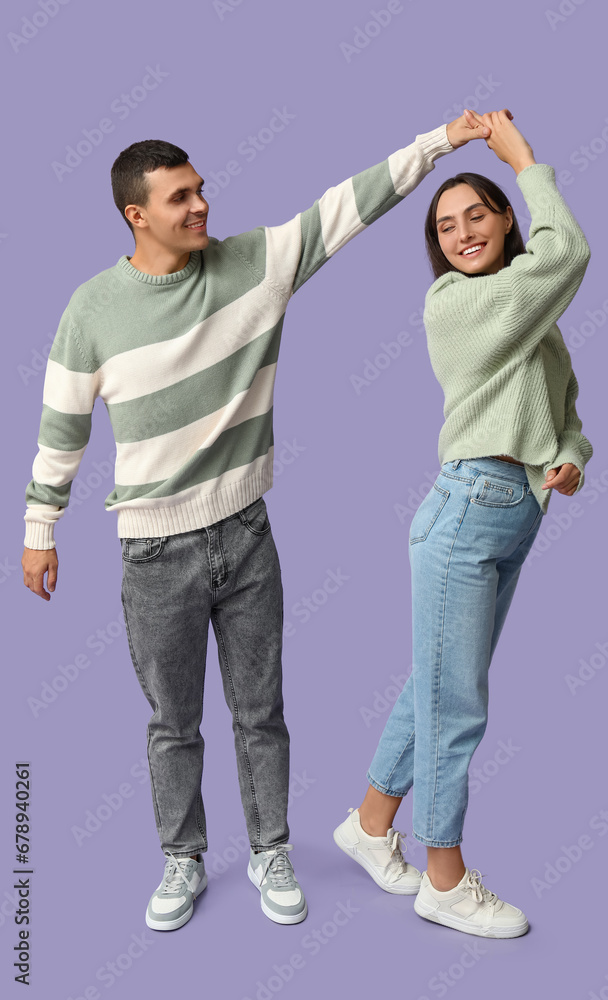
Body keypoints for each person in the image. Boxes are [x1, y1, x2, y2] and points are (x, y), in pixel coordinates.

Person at [20, 107, 505, 932]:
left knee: (260, 711)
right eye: (179, 198)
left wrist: (437, 142)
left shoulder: (258, 262)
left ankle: (269, 847)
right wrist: (40, 529)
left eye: (201, 189)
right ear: (136, 215)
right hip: (152, 549)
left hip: (246, 534)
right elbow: (61, 426)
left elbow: (349, 204)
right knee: (172, 723)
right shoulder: (91, 309)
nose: (200, 206)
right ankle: (182, 860)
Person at [334, 109, 593, 938]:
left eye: (475, 215)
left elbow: (567, 411)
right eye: (444, 226)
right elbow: (568, 252)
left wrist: (570, 458)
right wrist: (521, 156)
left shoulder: (529, 318)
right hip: (466, 513)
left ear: (503, 220)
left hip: (512, 512)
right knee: (458, 704)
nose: (460, 234)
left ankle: (370, 827)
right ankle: (442, 875)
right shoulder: (457, 304)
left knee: (434, 683)